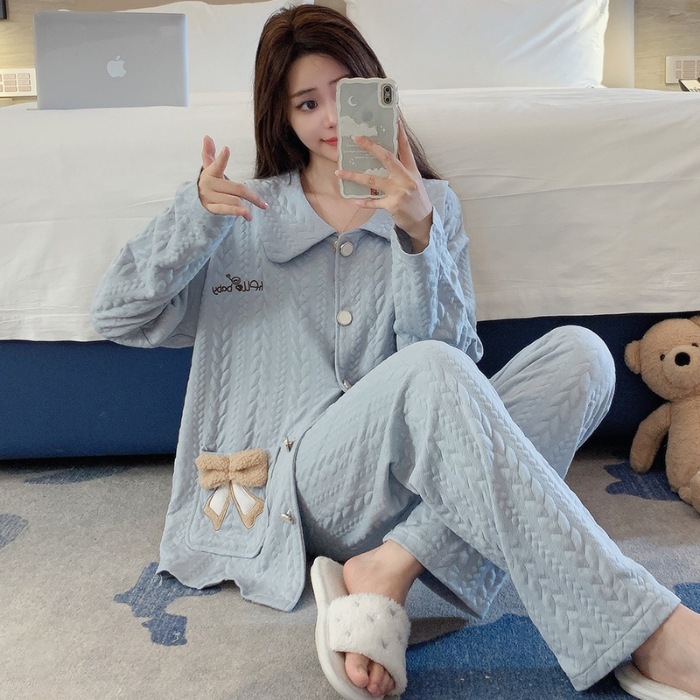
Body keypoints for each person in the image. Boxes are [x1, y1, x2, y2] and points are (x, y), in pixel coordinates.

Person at [91, 5, 700, 700]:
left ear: (377, 91)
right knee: (433, 373)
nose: (331, 120)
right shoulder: (243, 214)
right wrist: (192, 217)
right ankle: (648, 631)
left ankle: (392, 567)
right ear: (281, 116)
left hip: (418, 479)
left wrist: (417, 235)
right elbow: (118, 315)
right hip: (304, 486)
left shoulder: (431, 204)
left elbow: (452, 368)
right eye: (306, 103)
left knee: (583, 357)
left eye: (345, 94)